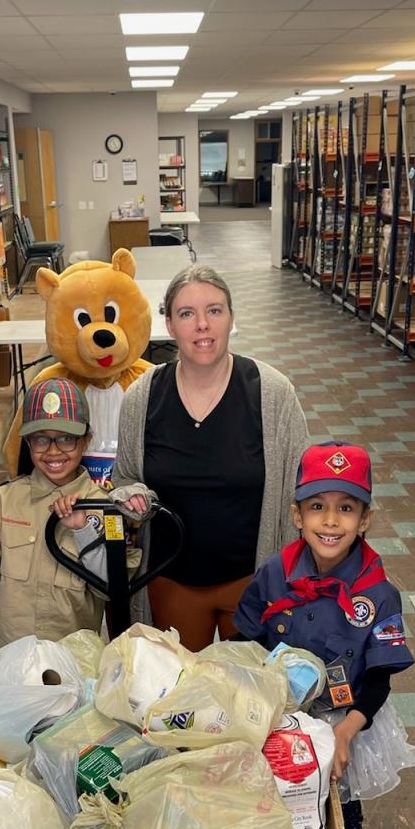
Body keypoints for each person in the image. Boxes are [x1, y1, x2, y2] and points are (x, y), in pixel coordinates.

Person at [233, 443, 415, 829]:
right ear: (298, 515)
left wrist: (346, 732)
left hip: (344, 718)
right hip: (277, 713)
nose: (331, 521)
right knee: (277, 801)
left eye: (347, 508)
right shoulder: (274, 574)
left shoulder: (378, 594)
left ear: (365, 518)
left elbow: (378, 679)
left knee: (340, 812)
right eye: (317, 506)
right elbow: (245, 642)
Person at [113, 264, 308, 651]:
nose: (202, 325)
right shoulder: (143, 396)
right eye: (187, 314)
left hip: (254, 584)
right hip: (172, 583)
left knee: (252, 700)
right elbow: (125, 478)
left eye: (214, 311)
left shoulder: (272, 394)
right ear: (169, 324)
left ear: (231, 318)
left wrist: (289, 583)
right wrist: (132, 497)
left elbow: (301, 490)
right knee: (181, 697)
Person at [0, 378, 144, 649]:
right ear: (27, 443)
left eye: (66, 438)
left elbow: (112, 586)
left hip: (74, 664)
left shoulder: (105, 507)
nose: (53, 451)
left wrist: (82, 530)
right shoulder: (5, 499)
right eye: (41, 439)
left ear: (87, 440)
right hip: (13, 660)